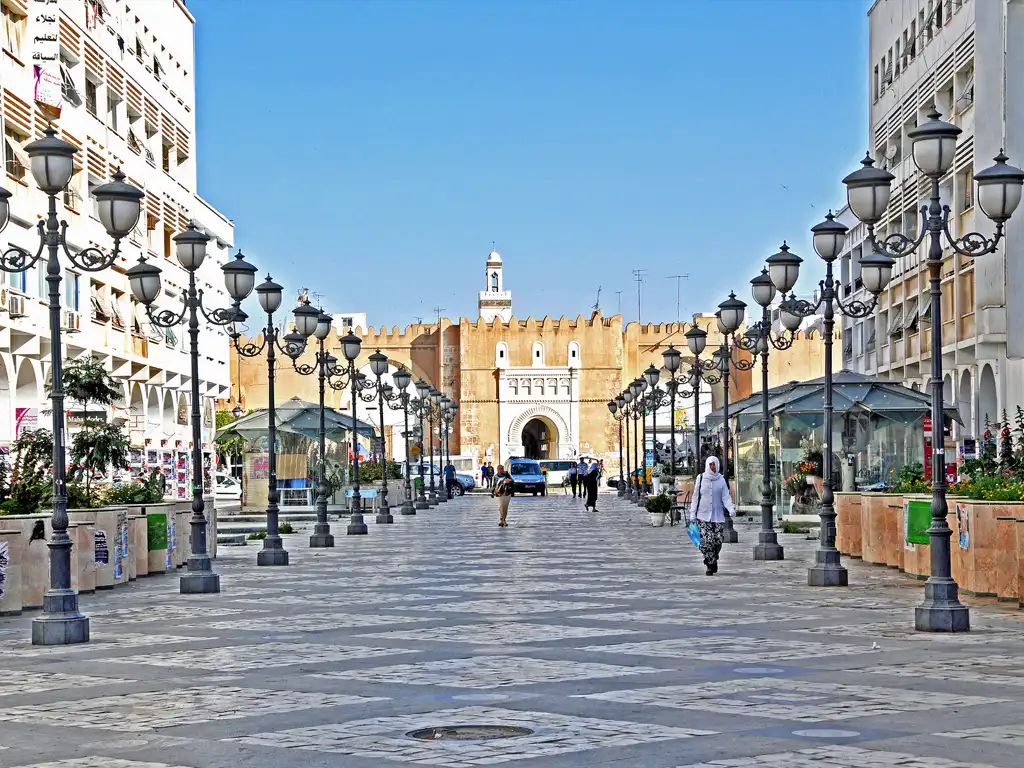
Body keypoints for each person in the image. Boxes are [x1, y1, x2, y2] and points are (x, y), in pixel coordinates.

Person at [689, 456, 736, 575]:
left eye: (714, 465)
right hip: (703, 516)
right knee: (708, 540)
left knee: (718, 540)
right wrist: (692, 514)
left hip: (717, 516)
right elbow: (695, 497)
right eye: (711, 465)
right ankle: (710, 564)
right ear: (707, 466)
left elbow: (725, 496)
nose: (713, 467)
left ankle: (713, 558)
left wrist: (731, 508)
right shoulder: (701, 478)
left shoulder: (721, 480)